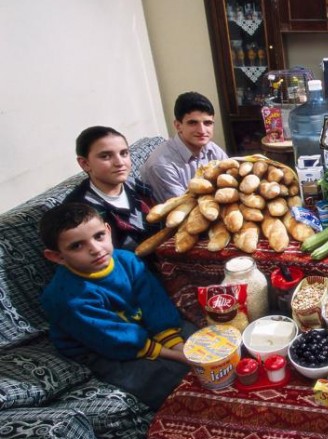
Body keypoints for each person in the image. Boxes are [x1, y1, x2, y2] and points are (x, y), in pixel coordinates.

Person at [39, 203, 196, 410]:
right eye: (77, 246)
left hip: (140, 324)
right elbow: (111, 338)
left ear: (108, 230)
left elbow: (154, 302)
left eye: (99, 236)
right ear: (57, 256)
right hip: (100, 346)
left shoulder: (127, 260)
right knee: (165, 378)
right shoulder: (66, 298)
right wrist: (178, 356)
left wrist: (177, 344)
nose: (95, 249)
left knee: (202, 340)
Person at [64, 126, 156, 251]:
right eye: (105, 156)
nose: (119, 163)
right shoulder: (80, 210)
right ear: (85, 163)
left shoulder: (135, 185)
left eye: (124, 153)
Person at [141, 92, 228, 203]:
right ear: (178, 126)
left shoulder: (212, 149)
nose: (202, 131)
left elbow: (230, 182)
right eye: (193, 123)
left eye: (207, 123)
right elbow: (182, 208)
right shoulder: (161, 165)